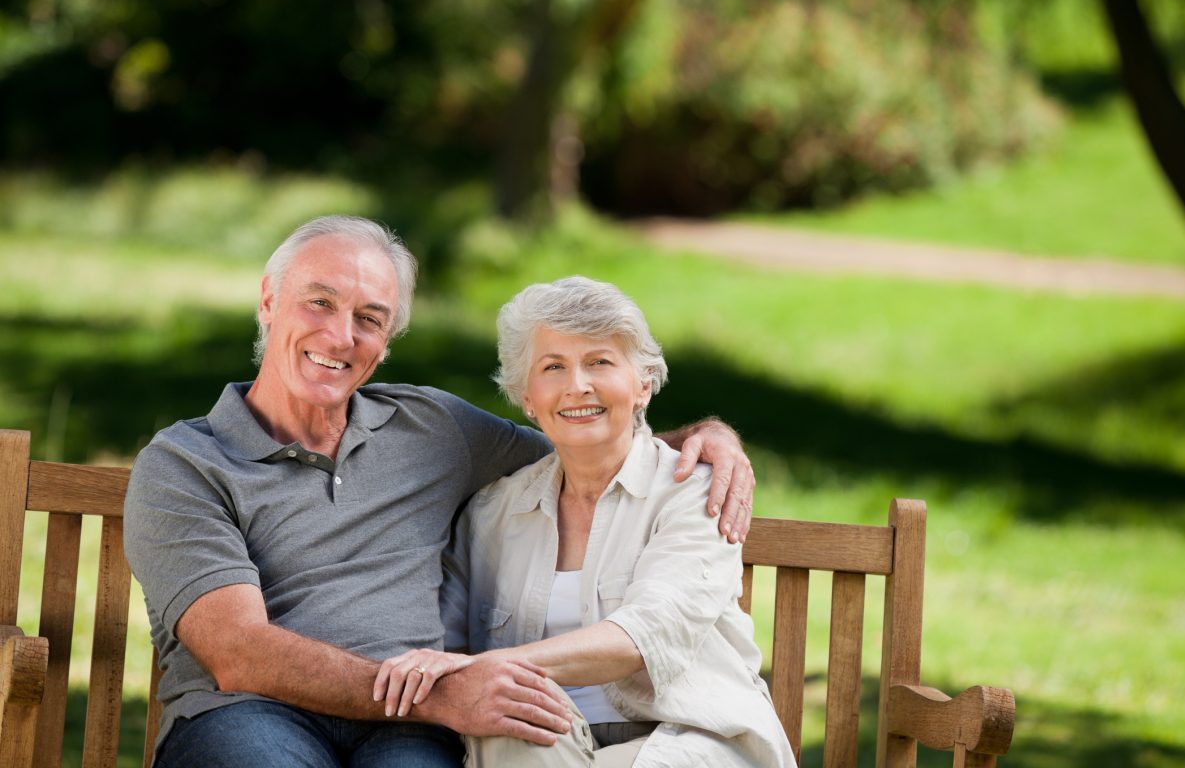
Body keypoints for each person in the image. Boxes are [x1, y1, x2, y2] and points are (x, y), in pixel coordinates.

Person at [123, 215, 757, 768]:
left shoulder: (433, 429)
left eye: (370, 319)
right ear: (268, 301)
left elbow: (583, 440)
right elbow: (240, 653)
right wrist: (444, 693)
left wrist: (706, 434)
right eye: (319, 303)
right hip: (252, 713)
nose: (342, 336)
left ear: (387, 340)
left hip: (410, 728)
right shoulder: (186, 464)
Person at [374, 276, 796, 767]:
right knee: (507, 722)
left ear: (642, 385)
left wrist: (483, 667)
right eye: (553, 367)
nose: (577, 386)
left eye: (600, 361)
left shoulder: (694, 492)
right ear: (526, 397)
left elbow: (645, 634)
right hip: (549, 744)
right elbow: (443, 645)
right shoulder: (493, 512)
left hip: (689, 740)